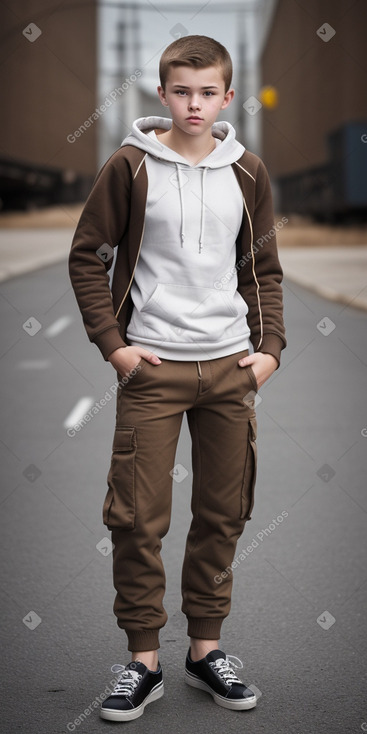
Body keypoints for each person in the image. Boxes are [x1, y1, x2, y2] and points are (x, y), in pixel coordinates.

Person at [69, 34, 286, 722]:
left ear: (227, 97)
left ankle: (204, 651)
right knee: (135, 518)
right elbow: (86, 256)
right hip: (152, 369)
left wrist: (269, 348)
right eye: (181, 92)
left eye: (207, 92)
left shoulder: (247, 171)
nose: (194, 105)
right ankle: (141, 662)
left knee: (221, 517)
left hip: (229, 370)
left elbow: (264, 270)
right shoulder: (130, 166)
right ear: (162, 95)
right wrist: (114, 347)